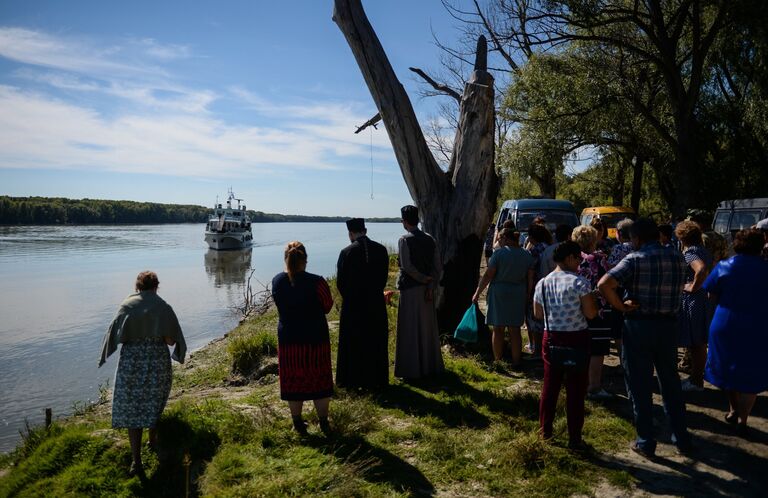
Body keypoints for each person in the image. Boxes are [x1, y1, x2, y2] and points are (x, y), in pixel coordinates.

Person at [598, 218, 692, 457]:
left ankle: (645, 441)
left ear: (637, 238)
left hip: (639, 325)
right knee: (670, 383)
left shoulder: (634, 259)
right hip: (669, 327)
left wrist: (620, 306)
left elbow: (604, 284)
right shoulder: (677, 257)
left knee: (639, 384)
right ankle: (681, 438)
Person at [98, 271, 186, 477]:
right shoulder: (163, 307)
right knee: (154, 400)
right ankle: (152, 440)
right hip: (156, 360)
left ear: (137, 287)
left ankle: (136, 461)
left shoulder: (126, 306)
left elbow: (116, 336)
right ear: (156, 286)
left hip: (131, 362)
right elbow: (171, 341)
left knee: (133, 408)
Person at [534, 241, 598, 450]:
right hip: (577, 338)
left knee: (550, 388)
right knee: (576, 390)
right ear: (570, 258)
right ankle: (574, 438)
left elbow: (537, 314)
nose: (580, 263)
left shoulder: (542, 283)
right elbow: (590, 313)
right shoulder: (580, 283)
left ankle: (545, 432)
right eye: (578, 258)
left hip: (551, 337)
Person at [704, 229, 768, 437]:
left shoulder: (724, 267)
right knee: (752, 371)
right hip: (759, 324)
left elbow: (709, 292)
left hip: (726, 323)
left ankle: (732, 409)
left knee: (726, 367)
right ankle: (743, 419)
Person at [272, 242, 334, 435]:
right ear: (305, 260)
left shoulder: (277, 281)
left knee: (293, 379)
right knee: (320, 379)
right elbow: (327, 306)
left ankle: (298, 423)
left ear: (285, 258)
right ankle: (324, 422)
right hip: (315, 338)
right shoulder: (318, 282)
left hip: (289, 338)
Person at [336, 218, 390, 389]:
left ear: (350, 234)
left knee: (354, 342)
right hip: (375, 303)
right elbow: (383, 278)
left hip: (353, 305)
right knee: (375, 340)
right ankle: (376, 379)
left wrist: (350, 297)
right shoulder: (381, 250)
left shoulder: (346, 252)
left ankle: (353, 380)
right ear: (365, 231)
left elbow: (340, 282)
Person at [394, 205, 445, 379]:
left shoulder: (404, 240)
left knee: (410, 329)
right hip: (428, 290)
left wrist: (424, 280)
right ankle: (430, 366)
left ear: (405, 221)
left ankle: (411, 369)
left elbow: (407, 266)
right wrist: (431, 285)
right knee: (427, 329)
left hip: (410, 290)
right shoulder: (430, 239)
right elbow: (438, 267)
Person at [472, 228, 535, 365]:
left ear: (506, 238)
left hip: (499, 292)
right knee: (515, 329)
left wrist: (478, 292)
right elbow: (530, 277)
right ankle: (517, 361)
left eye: (500, 238)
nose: (498, 241)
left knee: (498, 328)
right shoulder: (526, 255)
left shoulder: (499, 254)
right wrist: (528, 294)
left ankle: (498, 361)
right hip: (518, 292)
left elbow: (488, 275)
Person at [571, 226, 614, 400]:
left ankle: (578, 383)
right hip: (599, 309)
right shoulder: (600, 259)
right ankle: (594, 387)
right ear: (593, 240)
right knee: (597, 349)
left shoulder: (572, 260)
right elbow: (610, 282)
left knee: (580, 346)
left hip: (576, 308)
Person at [674, 220, 713, 392]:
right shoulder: (703, 250)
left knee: (696, 343)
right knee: (700, 343)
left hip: (693, 300)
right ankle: (696, 379)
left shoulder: (690, 252)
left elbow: (701, 270)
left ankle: (696, 382)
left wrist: (691, 286)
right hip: (703, 299)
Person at [524, 223, 552, 356]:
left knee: (534, 320)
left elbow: (530, 272)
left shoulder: (534, 251)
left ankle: (537, 351)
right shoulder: (549, 248)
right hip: (550, 287)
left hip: (536, 287)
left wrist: (528, 292)